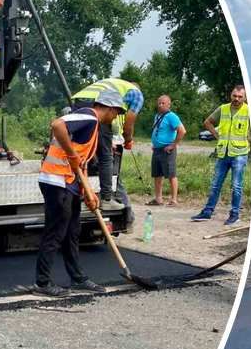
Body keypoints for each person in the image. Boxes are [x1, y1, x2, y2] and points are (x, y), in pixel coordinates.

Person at [34, 90, 127, 296]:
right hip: (56, 181)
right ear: (109, 108)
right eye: (117, 112)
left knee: (72, 233)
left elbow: (80, 162)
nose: (115, 117)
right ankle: (42, 283)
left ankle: (77, 278)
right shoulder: (88, 116)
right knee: (55, 233)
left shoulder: (93, 128)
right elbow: (57, 125)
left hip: (69, 183)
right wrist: (70, 153)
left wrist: (88, 191)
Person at [70, 77, 144, 229]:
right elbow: (129, 121)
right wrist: (128, 138)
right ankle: (106, 198)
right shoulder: (137, 95)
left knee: (84, 150)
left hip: (78, 104)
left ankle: (79, 191)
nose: (118, 113)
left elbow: (117, 120)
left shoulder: (117, 87)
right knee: (106, 157)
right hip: (96, 106)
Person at [192, 85, 251, 226]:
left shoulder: (248, 111)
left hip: (239, 153)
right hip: (223, 152)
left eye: (240, 96)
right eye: (234, 96)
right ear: (231, 95)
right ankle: (207, 212)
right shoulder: (223, 108)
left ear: (245, 97)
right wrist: (217, 135)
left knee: (236, 185)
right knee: (215, 184)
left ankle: (234, 214)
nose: (236, 99)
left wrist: (249, 142)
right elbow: (207, 122)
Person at [149, 95, 186, 206]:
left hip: (167, 150)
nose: (160, 105)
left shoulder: (171, 116)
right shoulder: (157, 116)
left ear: (169, 104)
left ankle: (174, 199)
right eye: (159, 103)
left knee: (171, 174)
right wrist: (155, 143)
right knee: (157, 174)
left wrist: (173, 145)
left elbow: (182, 131)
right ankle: (158, 198)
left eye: (163, 103)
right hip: (157, 149)